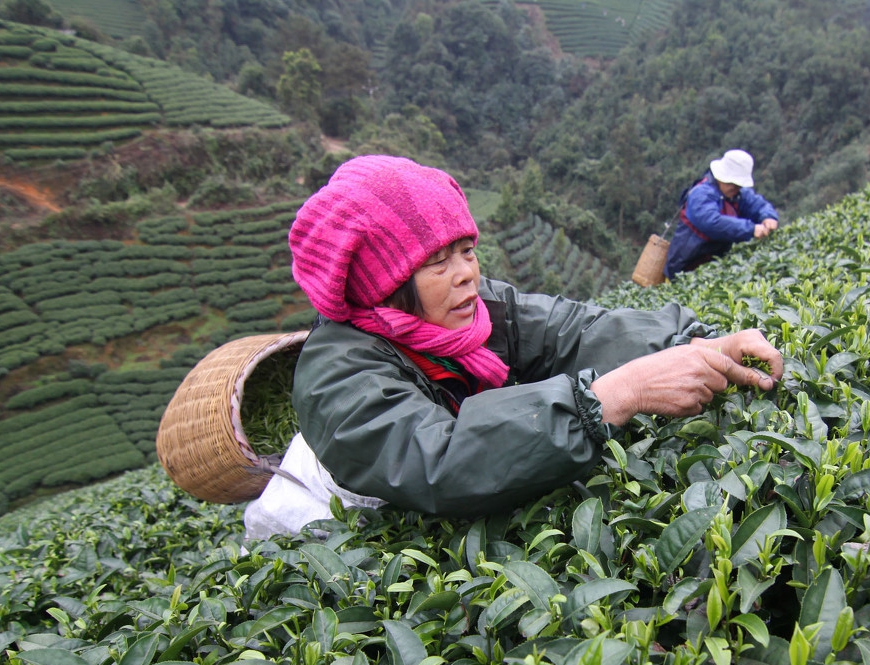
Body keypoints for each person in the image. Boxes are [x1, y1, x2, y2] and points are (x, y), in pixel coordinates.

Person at [243, 155, 783, 537]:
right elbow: (437, 459)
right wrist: (607, 399)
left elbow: (571, 330)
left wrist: (692, 343)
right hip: (354, 531)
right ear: (380, 280)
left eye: (467, 249)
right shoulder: (335, 373)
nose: (466, 274)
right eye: (438, 261)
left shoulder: (473, 310)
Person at [665, 149, 779, 279]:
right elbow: (712, 223)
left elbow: (756, 204)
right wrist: (751, 229)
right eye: (732, 183)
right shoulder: (701, 194)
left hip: (713, 264)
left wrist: (768, 216)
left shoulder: (736, 193)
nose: (736, 188)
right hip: (684, 267)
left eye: (739, 185)